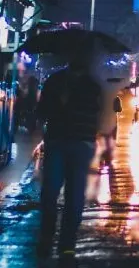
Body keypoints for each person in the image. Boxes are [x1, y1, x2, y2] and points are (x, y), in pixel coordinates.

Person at [36, 53, 103, 255]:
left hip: (72, 143)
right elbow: (42, 112)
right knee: (58, 192)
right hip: (69, 143)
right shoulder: (62, 82)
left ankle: (61, 240)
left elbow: (41, 113)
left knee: (62, 193)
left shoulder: (88, 85)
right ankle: (58, 238)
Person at [99, 94, 122, 166]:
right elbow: (119, 109)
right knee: (111, 140)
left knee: (103, 140)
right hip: (112, 122)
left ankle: (103, 157)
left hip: (103, 122)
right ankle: (107, 158)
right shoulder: (116, 98)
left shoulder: (102, 97)